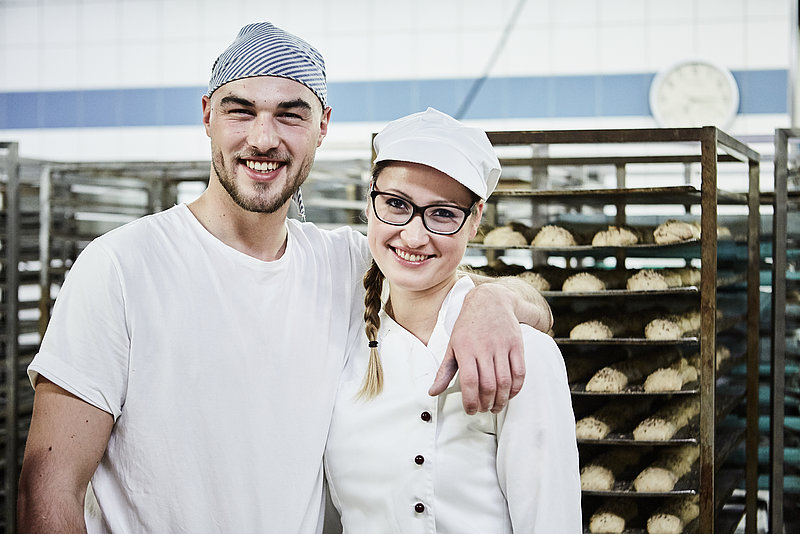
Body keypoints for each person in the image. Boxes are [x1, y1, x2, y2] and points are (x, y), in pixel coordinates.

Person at [16, 23, 552, 533]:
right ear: (207, 115)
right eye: (241, 110)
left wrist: (492, 301)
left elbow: (503, 299)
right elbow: (48, 491)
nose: (264, 138)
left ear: (323, 126)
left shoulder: (343, 263)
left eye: (291, 115)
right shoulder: (121, 267)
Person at [323, 108, 581, 533]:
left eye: (442, 213)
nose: (413, 235)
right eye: (396, 204)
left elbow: (550, 522)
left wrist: (497, 297)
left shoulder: (521, 352)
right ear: (370, 201)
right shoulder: (340, 340)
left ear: (475, 219)